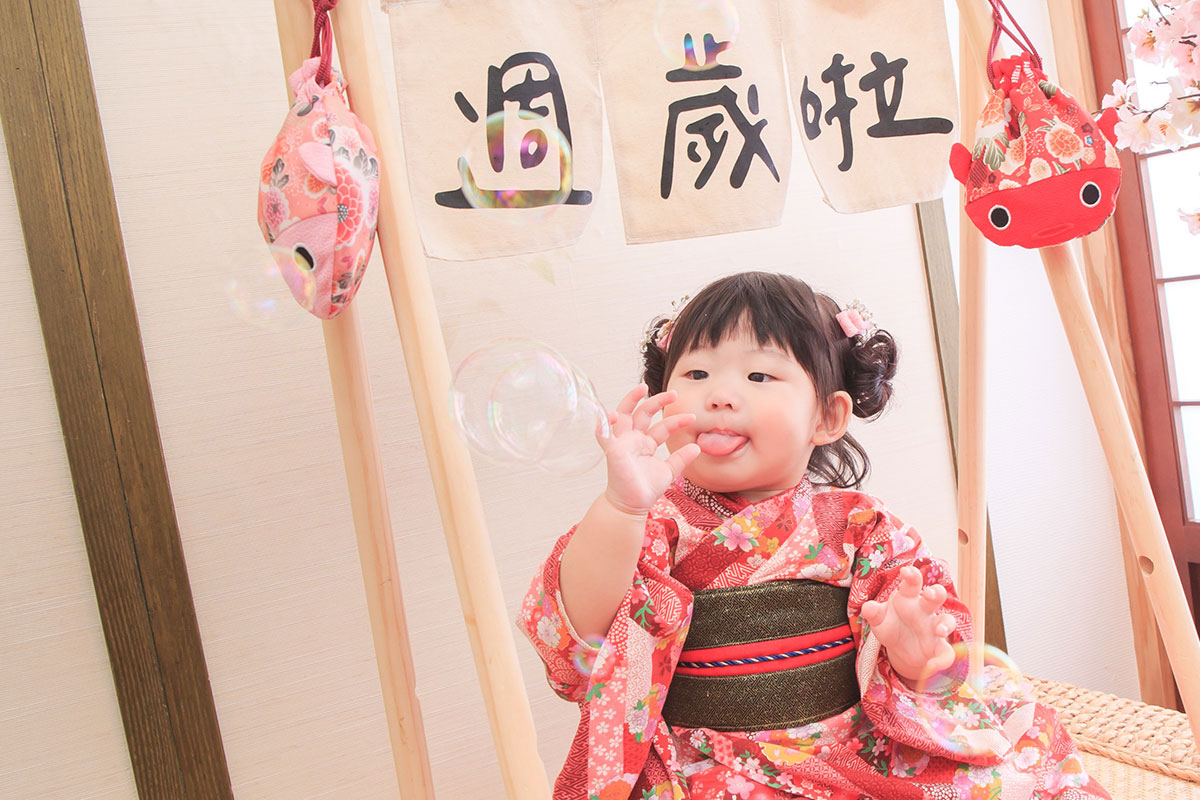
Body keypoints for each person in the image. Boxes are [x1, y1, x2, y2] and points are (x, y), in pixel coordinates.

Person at [517, 271, 1109, 800]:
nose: (719, 394)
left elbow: (941, 662)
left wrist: (913, 651)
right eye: (696, 373)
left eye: (759, 374)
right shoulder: (653, 522)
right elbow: (581, 631)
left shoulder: (859, 526)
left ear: (827, 417)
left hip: (845, 752)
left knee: (1013, 773)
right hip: (696, 764)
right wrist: (621, 507)